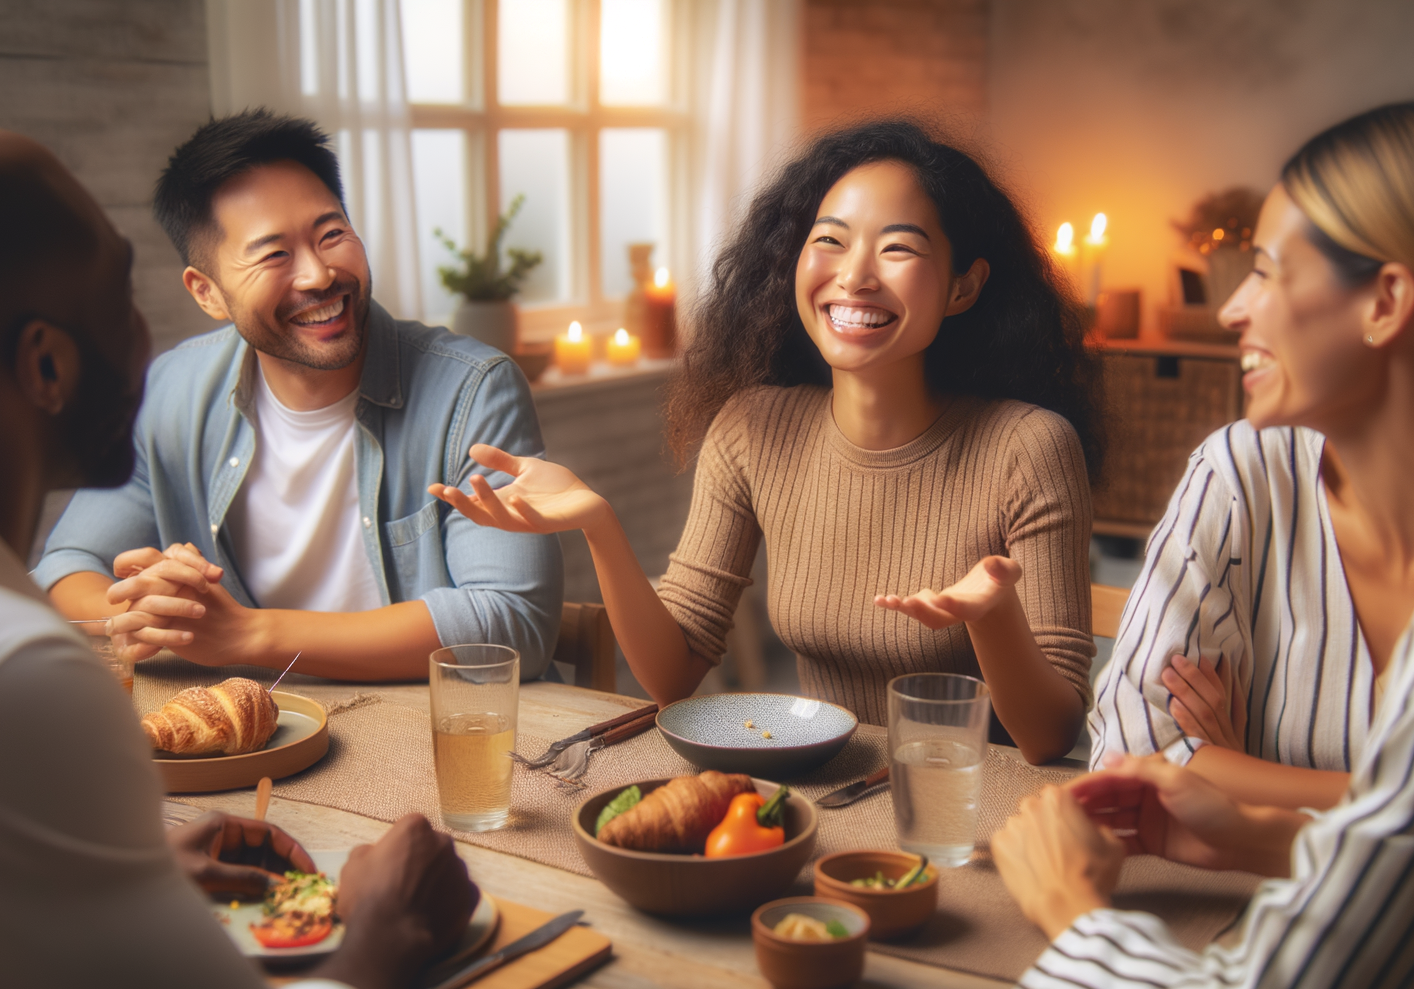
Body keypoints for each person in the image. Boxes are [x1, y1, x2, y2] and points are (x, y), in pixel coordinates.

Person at [0, 123, 476, 989]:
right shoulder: (4, 672)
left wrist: (108, 888)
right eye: (120, 295)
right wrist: (389, 929)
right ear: (46, 364)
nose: (152, 341)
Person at [992, 100, 1414, 989]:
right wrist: (1267, 837)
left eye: (1264, 269)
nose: (1231, 307)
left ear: (1385, 302)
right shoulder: (1259, 473)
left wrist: (1067, 905)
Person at [432, 120, 1101, 762]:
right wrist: (597, 523)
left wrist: (992, 619)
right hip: (828, 794)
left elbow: (1049, 738)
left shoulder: (1029, 448)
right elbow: (673, 674)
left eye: (898, 248)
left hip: (971, 815)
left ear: (964, 286)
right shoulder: (753, 429)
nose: (856, 276)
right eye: (831, 241)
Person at [33, 110, 561, 682]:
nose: (317, 275)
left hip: (430, 732)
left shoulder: (472, 390)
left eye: (331, 234)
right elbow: (66, 566)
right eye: (274, 254)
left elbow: (514, 623)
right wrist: (159, 611)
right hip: (264, 738)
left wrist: (248, 635)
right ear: (207, 292)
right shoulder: (172, 391)